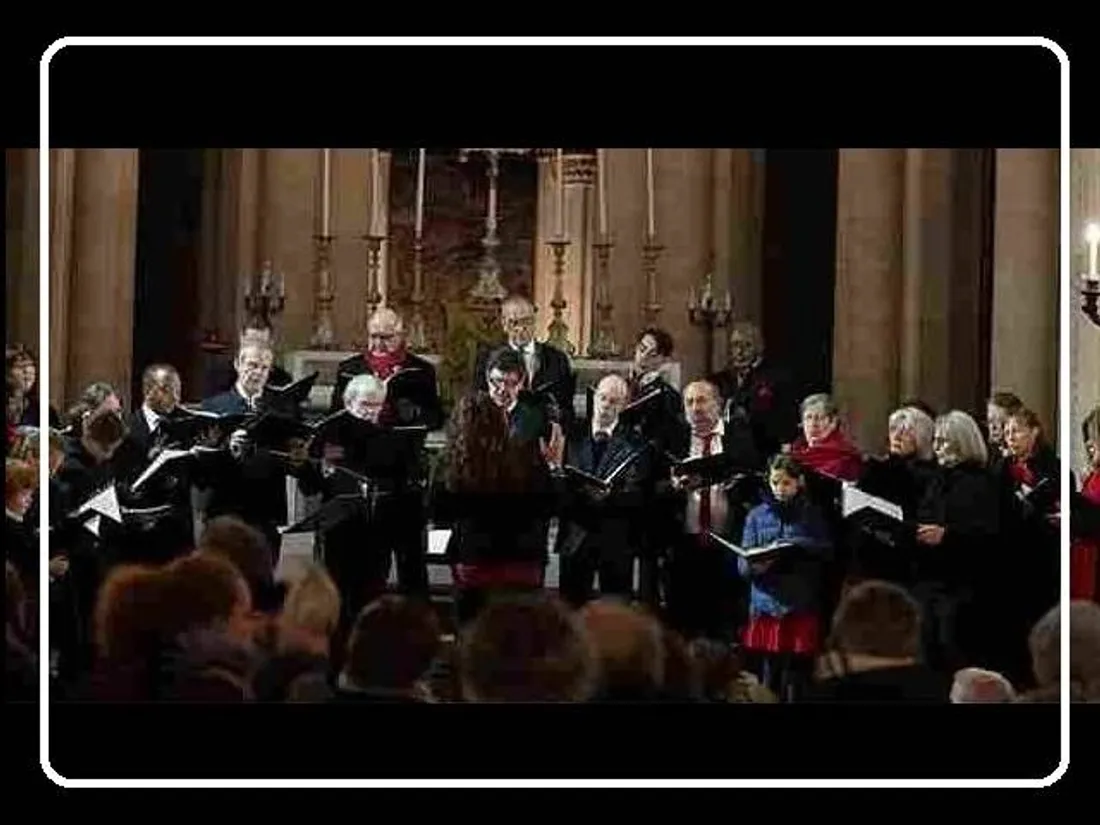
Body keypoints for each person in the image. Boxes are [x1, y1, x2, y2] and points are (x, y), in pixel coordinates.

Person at [736, 454, 832, 701]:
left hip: (799, 602)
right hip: (767, 603)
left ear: (799, 482)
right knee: (770, 670)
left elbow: (825, 550)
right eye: (775, 482)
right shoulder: (756, 515)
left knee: (797, 673)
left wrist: (799, 545)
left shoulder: (812, 514)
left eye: (787, 483)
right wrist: (754, 566)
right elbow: (743, 560)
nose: (780, 488)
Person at [330, 306, 444, 430]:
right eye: (374, 337)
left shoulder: (421, 370)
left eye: (386, 338)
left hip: (401, 440)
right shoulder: (349, 369)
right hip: (357, 440)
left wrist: (410, 412)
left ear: (401, 336)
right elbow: (334, 415)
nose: (379, 344)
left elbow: (435, 418)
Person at [473, 294, 576, 428]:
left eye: (527, 321)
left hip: (544, 436)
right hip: (501, 435)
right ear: (504, 324)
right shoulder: (487, 358)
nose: (521, 329)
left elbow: (567, 408)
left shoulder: (557, 359)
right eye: (514, 322)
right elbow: (479, 401)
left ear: (535, 322)